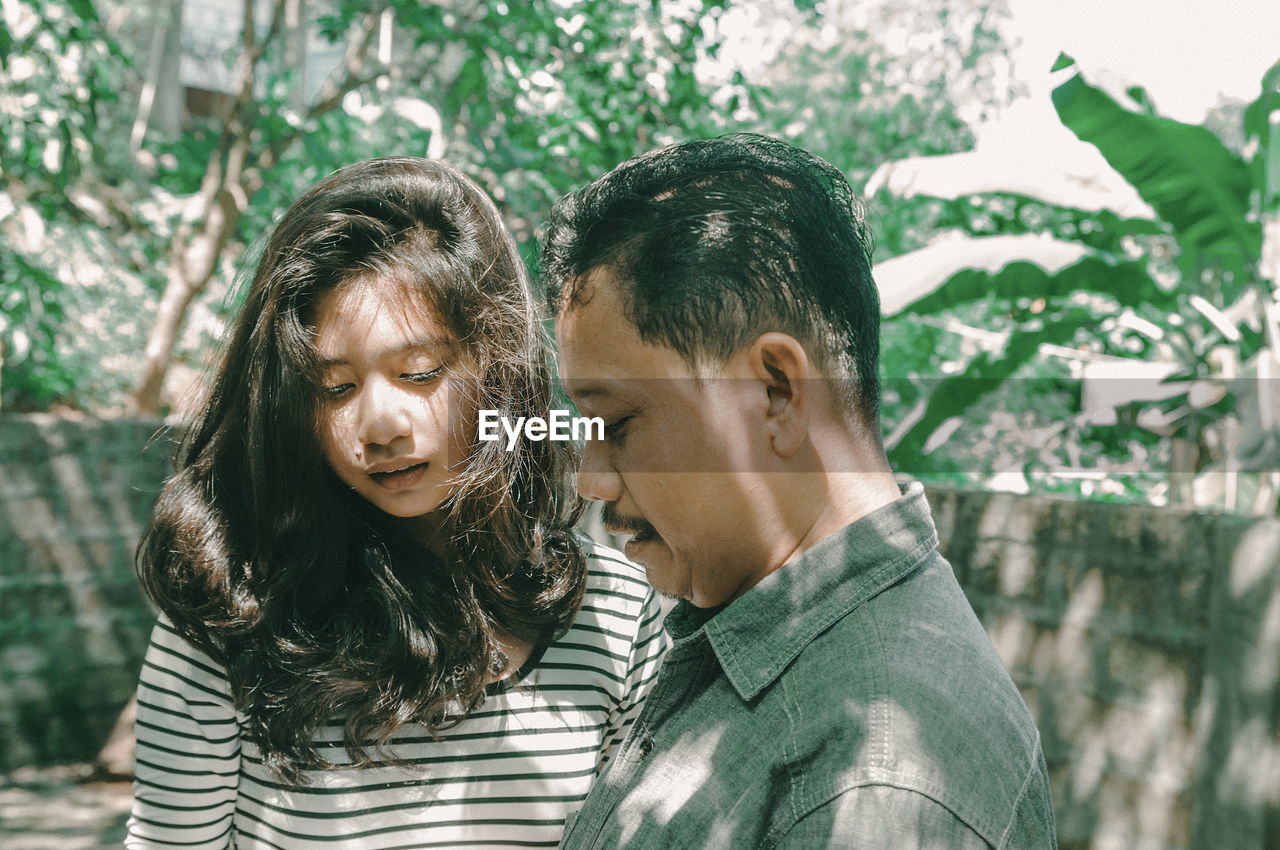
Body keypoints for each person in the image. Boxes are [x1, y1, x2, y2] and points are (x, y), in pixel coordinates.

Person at [125, 157, 665, 850]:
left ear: (497, 368)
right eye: (334, 387)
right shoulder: (228, 618)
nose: (381, 424)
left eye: (420, 373)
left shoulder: (617, 617)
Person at [542, 134, 1057, 848]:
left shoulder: (871, 790)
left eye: (619, 421)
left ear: (777, 392)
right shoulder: (754, 637)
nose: (593, 477)